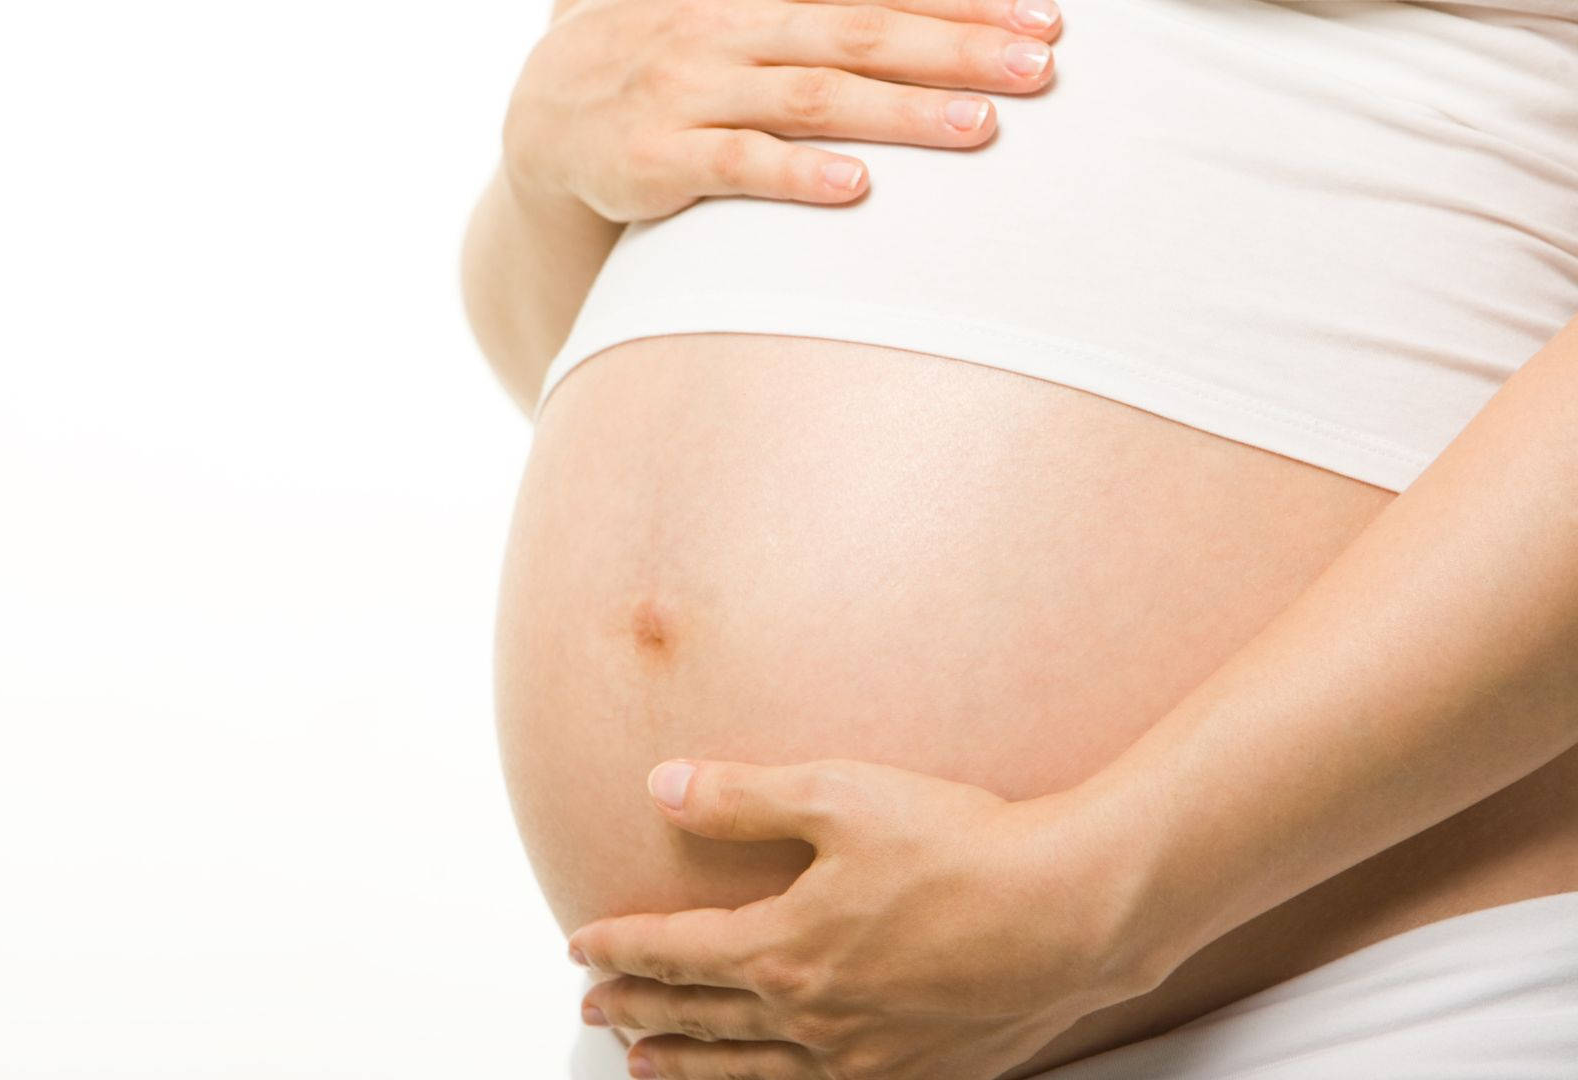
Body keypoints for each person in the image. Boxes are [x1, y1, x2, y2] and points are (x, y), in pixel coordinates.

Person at [459, 0, 1578, 1077]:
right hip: (704, 1029)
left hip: (1336, 989)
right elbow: (583, 351)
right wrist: (539, 171)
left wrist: (1107, 896)